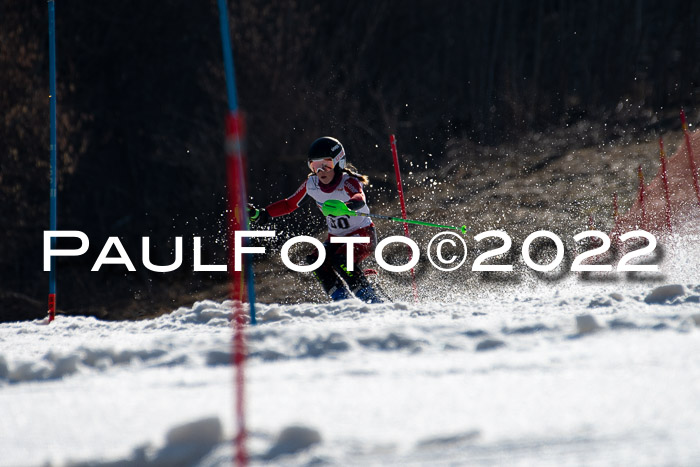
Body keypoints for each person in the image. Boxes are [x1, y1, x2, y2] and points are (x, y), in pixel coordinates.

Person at [248, 136, 383, 303]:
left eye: (327, 165)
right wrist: (262, 214)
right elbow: (289, 204)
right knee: (315, 260)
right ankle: (343, 301)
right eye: (315, 166)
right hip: (337, 239)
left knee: (342, 260)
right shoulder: (312, 184)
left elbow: (359, 197)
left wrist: (347, 206)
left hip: (362, 235)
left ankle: (371, 299)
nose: (321, 171)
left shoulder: (348, 181)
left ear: (339, 163)